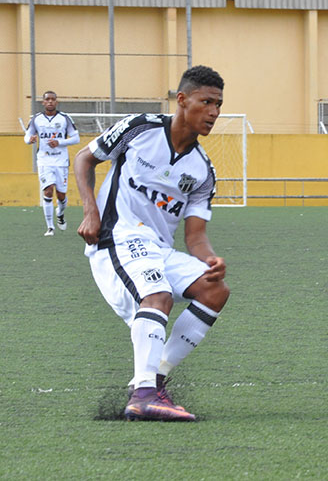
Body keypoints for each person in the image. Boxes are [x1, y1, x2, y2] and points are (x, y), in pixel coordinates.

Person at [75, 65, 230, 422]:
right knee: (157, 295)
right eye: (206, 102)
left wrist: (211, 261)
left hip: (157, 248)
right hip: (117, 237)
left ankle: (154, 380)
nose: (214, 113)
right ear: (182, 100)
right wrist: (91, 211)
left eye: (219, 105)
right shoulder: (139, 128)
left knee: (214, 289)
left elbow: (195, 236)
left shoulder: (202, 170)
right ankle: (144, 394)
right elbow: (85, 158)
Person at [23, 91, 80, 236]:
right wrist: (30, 140)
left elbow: (76, 138)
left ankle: (60, 213)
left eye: (52, 99)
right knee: (48, 191)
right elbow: (27, 135)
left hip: (61, 161)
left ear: (56, 101)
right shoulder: (37, 119)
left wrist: (59, 142)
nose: (50, 102)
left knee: (61, 195)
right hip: (44, 160)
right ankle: (50, 227)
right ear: (43, 102)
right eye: (47, 99)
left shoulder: (64, 118)